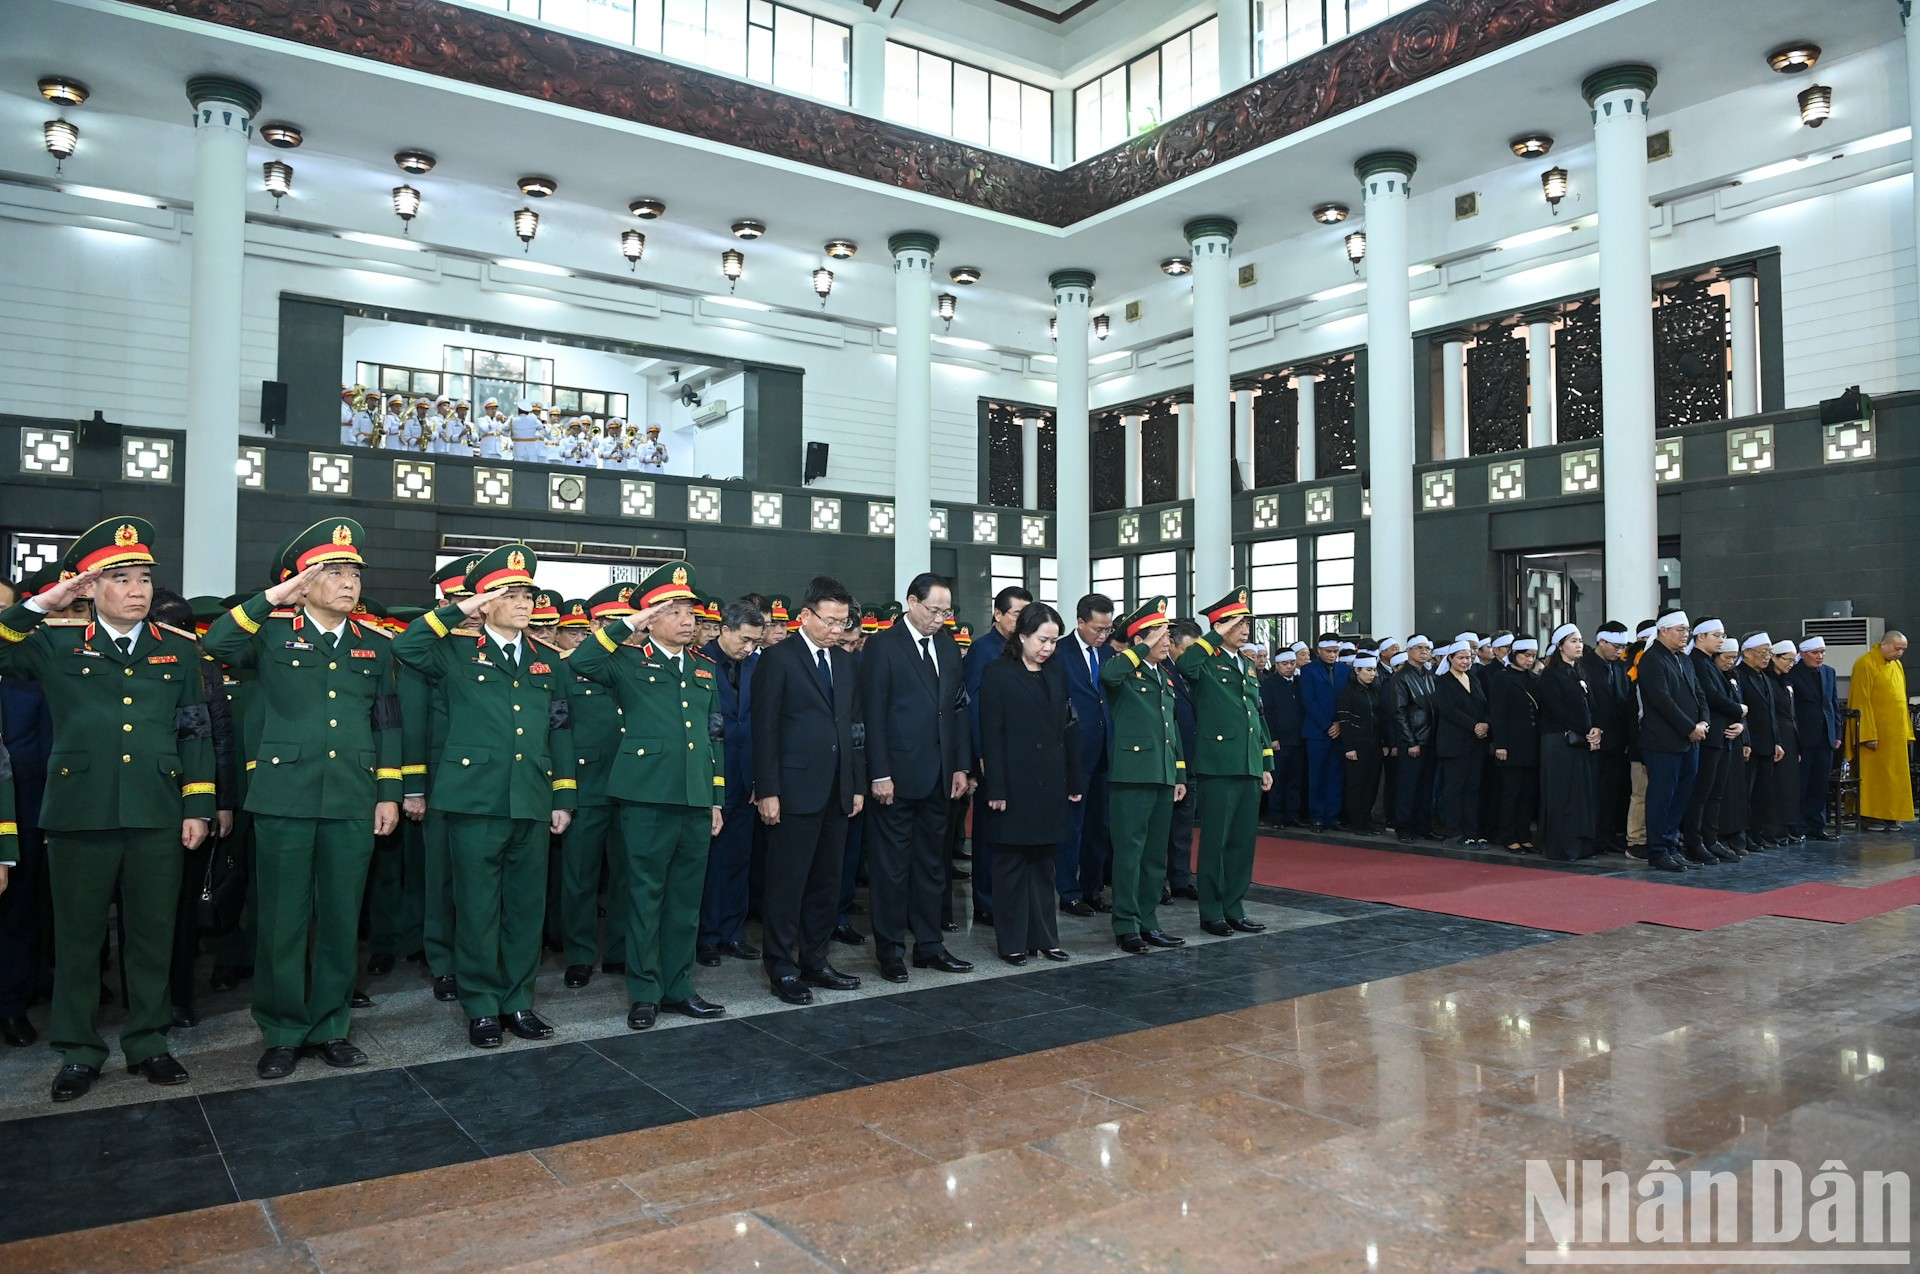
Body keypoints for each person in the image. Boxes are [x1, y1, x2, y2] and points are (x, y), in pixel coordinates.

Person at [0, 519, 215, 1101]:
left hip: (155, 810)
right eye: (119, 578)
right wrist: (44, 602)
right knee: (78, 938)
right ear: (90, 588)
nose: (138, 589)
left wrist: (197, 804)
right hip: (79, 812)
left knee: (152, 935)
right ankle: (78, 1050)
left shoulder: (178, 649)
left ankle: (149, 1043)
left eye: (143, 577)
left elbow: (195, 731)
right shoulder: (55, 642)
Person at [202, 519, 399, 1079]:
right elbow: (216, 643)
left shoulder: (373, 646)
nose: (347, 583)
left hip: (351, 797)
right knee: (283, 921)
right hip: (285, 796)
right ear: (303, 584)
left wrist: (386, 791)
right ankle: (284, 1029)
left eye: (353, 573)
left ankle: (332, 1025)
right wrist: (272, 599)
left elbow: (387, 722)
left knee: (340, 920)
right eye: (332, 573)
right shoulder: (270, 635)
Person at [392, 543, 575, 1049]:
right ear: (485, 601)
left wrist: (562, 796)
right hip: (473, 799)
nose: (523, 603)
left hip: (532, 798)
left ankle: (518, 1001)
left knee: (524, 908)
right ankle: (480, 1006)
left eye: (527, 594)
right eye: (510, 594)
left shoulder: (546, 659)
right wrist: (462, 608)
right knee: (476, 908)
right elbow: (404, 648)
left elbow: (560, 729)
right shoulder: (453, 650)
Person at [569, 563, 727, 1030]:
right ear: (651, 619)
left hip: (695, 798)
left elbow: (714, 735)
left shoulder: (704, 668)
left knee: (684, 900)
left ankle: (679, 987)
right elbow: (581, 662)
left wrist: (716, 798)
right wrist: (629, 623)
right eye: (673, 611)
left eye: (689, 612)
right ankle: (644, 990)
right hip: (645, 797)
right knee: (644, 896)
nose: (686, 620)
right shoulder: (628, 660)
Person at [751, 576, 866, 1006]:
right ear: (805, 616)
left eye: (843, 622)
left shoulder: (847, 663)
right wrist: (768, 789)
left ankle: (815, 960)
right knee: (787, 884)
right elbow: (765, 728)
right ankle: (781, 966)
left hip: (837, 789)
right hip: (792, 789)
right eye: (830, 621)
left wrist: (855, 783)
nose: (837, 630)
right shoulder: (778, 659)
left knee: (826, 882)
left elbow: (855, 728)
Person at [858, 573, 972, 984]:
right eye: (933, 610)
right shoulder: (884, 646)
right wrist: (880, 772)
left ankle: (929, 945)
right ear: (911, 602)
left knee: (932, 866)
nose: (940, 618)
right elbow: (873, 713)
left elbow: (956, 712)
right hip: (897, 777)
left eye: (946, 611)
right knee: (891, 869)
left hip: (940, 776)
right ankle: (890, 950)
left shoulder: (947, 646)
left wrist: (961, 765)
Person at [978, 603, 1080, 965]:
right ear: (1022, 636)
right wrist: (997, 789)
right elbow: (992, 734)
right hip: (1014, 782)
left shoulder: (1055, 673)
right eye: (1041, 640)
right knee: (1011, 866)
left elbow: (1069, 728)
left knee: (1043, 865)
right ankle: (1012, 942)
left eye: (1053, 641)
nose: (1047, 648)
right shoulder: (997, 673)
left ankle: (1046, 939)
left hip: (1050, 781)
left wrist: (1074, 777)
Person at [554, 584, 637, 990]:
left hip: (633, 787)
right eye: (609, 622)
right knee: (580, 877)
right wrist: (564, 792)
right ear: (595, 625)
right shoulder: (567, 667)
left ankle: (619, 950)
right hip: (586, 786)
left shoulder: (639, 665)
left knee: (626, 873)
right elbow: (559, 731)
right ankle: (580, 954)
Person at [1179, 587, 1272, 937]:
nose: (1244, 629)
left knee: (1242, 842)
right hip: (1219, 763)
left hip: (1247, 763)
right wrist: (1213, 636)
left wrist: (1265, 762)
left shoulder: (1246, 665)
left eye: (1246, 623)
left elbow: (1256, 716)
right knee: (1216, 841)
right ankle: (1212, 911)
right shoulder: (1206, 660)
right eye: (1236, 623)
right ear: (1219, 626)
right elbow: (1186, 664)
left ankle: (1235, 906)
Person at [1101, 597, 1187, 953]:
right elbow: (1108, 675)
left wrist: (1179, 772)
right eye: (1161, 636)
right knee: (1130, 853)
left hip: (1162, 774)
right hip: (1132, 775)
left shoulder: (1163, 676)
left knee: (1155, 856)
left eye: (1167, 637)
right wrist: (1140, 648)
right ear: (1142, 639)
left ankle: (1148, 920)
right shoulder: (1124, 669)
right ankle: (1126, 924)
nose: (1167, 642)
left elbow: (1172, 728)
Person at [697, 601, 764, 967]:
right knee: (710, 861)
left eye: (755, 641)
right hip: (711, 776)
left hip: (746, 776)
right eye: (744, 640)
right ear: (724, 629)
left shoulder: (756, 665)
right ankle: (706, 936)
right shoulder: (698, 662)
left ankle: (732, 932)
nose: (749, 648)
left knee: (739, 857)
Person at [964, 586, 1031, 925]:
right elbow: (974, 708)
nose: (1023, 621)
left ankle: (1010, 897)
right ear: (998, 614)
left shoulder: (1024, 649)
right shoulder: (983, 650)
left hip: (1021, 758)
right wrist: (980, 755)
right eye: (1017, 614)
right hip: (993, 757)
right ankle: (986, 900)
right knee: (991, 832)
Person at [1637, 613, 1710, 872]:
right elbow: (1661, 701)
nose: (1685, 635)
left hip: (1690, 741)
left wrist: (1703, 722)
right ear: (1664, 630)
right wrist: (1689, 728)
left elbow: (1698, 693)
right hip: (1663, 741)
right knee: (1662, 797)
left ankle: (1670, 845)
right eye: (1680, 630)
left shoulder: (1684, 659)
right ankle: (1657, 850)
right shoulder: (1652, 660)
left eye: (1687, 630)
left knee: (1681, 796)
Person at [1056, 594, 1114, 916]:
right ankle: (1069, 891)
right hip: (1074, 753)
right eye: (1097, 628)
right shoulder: (1060, 652)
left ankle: (1093, 888)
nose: (1102, 635)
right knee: (1072, 826)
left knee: (1098, 826)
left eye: (1107, 628)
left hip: (1105, 752)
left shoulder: (1108, 654)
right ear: (1080, 622)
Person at [1535, 625, 1600, 861]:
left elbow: (1591, 706)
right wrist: (1586, 729)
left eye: (1581, 640)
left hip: (1581, 741)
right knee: (1562, 794)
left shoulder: (1579, 673)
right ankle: (1562, 847)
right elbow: (1558, 709)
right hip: (1558, 742)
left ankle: (1581, 845)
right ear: (1561, 645)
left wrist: (1595, 729)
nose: (1579, 645)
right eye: (1573, 641)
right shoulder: (1551, 675)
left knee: (1580, 795)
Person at [1683, 623, 1745, 863]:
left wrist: (1739, 721)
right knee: (1701, 793)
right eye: (1717, 635)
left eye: (1722, 635)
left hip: (1723, 736)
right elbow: (1709, 695)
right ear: (1700, 636)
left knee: (1715, 793)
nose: (1721, 640)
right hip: (1709, 737)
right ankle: (1694, 841)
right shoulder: (1696, 661)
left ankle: (1710, 838)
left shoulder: (1709, 662)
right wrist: (1738, 710)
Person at [1581, 622, 1635, 854]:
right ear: (1601, 641)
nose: (1620, 651)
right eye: (1616, 646)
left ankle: (1608, 833)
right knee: (1595, 791)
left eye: (1623, 646)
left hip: (1617, 740)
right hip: (1594, 739)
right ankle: (1594, 835)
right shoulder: (1584, 667)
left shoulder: (1621, 667)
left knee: (1613, 791)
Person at [1849, 631, 1912, 831]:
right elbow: (1861, 700)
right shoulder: (1865, 663)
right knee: (1874, 776)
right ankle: (1870, 815)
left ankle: (1892, 814)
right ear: (1883, 644)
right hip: (1875, 735)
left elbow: (1901, 699)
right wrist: (1867, 734)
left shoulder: (1897, 665)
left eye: (1903, 649)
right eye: (1897, 648)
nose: (1899, 653)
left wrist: (1907, 731)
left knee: (1895, 776)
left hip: (1895, 734)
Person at [1487, 638, 1540, 851]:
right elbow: (1497, 713)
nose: (1530, 660)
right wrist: (1500, 743)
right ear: (1514, 654)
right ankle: (1508, 835)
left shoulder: (1534, 679)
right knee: (1511, 792)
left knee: (1528, 792)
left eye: (1533, 656)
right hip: (1510, 744)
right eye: (1525, 655)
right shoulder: (1501, 678)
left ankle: (1524, 833)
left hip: (1531, 743)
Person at [1162, 621, 1201, 900]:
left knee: (1183, 828)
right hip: (1166, 761)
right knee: (1160, 827)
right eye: (1186, 649)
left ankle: (1180, 878)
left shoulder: (1196, 673)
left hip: (1191, 760)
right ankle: (1157, 882)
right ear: (1172, 644)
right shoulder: (1160, 671)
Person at [1788, 636, 1842, 841]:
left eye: (1822, 652)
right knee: (1802, 782)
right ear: (1802, 654)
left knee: (1820, 783)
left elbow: (1832, 704)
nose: (1820, 657)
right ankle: (1799, 825)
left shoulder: (1829, 672)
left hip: (1824, 736)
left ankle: (1817, 824)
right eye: (1815, 653)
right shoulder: (1793, 673)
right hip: (1804, 736)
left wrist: (1836, 733)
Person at [1734, 631, 1783, 852]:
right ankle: (1742, 834)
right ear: (1747, 653)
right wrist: (1745, 740)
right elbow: (1740, 712)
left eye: (1769, 653)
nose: (1767, 657)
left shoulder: (1764, 677)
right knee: (1746, 792)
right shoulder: (1738, 675)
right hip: (1750, 744)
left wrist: (1777, 741)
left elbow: (1772, 713)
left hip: (1767, 743)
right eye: (1763, 653)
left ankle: (1757, 832)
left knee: (1764, 793)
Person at [1390, 636, 1439, 842]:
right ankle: (1404, 827)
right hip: (1413, 740)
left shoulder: (1430, 675)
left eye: (1427, 648)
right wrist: (1411, 742)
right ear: (1409, 651)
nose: (1424, 652)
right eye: (1419, 648)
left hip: (1431, 739)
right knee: (1408, 786)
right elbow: (1399, 713)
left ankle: (1423, 826)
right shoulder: (1400, 677)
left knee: (1426, 787)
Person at [1298, 635, 1350, 828]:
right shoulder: (1308, 670)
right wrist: (1327, 725)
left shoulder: (1345, 670)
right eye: (1329, 651)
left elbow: (1346, 699)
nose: (1333, 655)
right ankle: (1317, 816)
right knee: (1317, 775)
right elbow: (1308, 701)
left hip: (1339, 730)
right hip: (1317, 732)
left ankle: (1333, 815)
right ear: (1319, 650)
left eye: (1336, 652)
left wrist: (1339, 723)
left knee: (1336, 775)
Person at [1336, 654, 1387, 833]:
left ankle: (1366, 819)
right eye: (1368, 670)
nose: (1372, 674)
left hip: (1374, 745)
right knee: (1356, 784)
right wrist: (1349, 747)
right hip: (1357, 745)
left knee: (1371, 784)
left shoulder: (1375, 690)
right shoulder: (1348, 692)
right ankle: (1356, 822)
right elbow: (1345, 721)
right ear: (1357, 670)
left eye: (1374, 670)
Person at [1260, 646, 1305, 826]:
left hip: (1298, 739)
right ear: (1277, 665)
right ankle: (1275, 815)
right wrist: (1273, 737)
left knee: (1295, 779)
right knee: (1278, 779)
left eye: (1292, 663)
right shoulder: (1269, 685)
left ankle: (1292, 814)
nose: (1289, 667)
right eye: (1284, 663)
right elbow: (1266, 713)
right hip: (1279, 740)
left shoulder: (1299, 682)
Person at [1768, 639, 1803, 844]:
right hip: (1777, 736)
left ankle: (1790, 826)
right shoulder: (1768, 680)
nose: (1790, 664)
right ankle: (1775, 829)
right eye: (1787, 660)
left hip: (1791, 737)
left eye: (1793, 661)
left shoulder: (1787, 681)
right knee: (1777, 786)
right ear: (1775, 658)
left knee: (1791, 786)